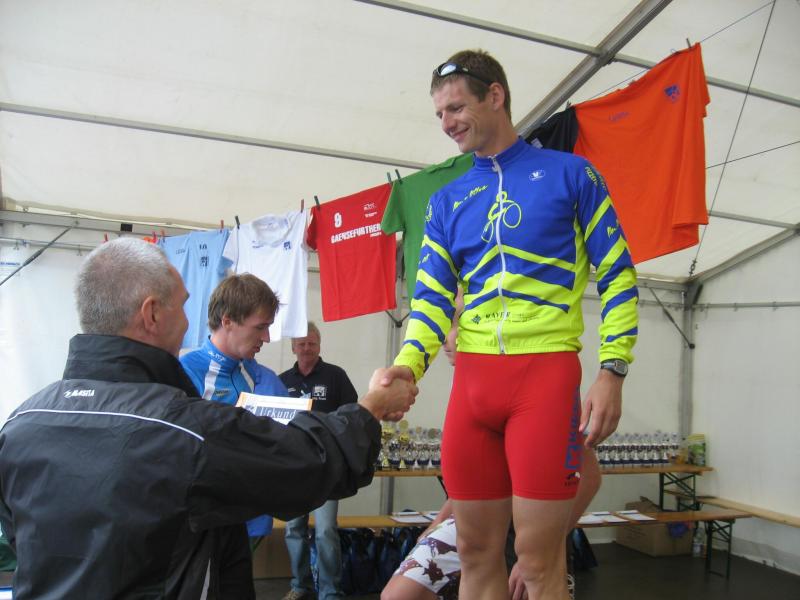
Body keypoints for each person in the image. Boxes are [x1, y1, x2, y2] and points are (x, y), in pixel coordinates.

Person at [0, 237, 417, 600]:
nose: (190, 322)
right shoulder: (179, 429)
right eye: (184, 306)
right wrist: (371, 407)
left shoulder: (20, 424)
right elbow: (308, 459)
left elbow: (21, 539)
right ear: (151, 314)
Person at [381, 49, 638, 600]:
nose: (447, 123)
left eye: (456, 108)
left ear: (495, 95)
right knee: (475, 553)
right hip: (472, 387)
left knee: (538, 563)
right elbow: (429, 301)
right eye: (440, 114)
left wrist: (612, 370)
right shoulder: (446, 201)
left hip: (543, 380)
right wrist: (407, 366)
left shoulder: (572, 175)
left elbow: (618, 274)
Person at [180, 273, 290, 541]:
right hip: (206, 525)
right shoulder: (186, 372)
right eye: (260, 327)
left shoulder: (262, 376)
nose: (266, 337)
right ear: (227, 320)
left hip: (254, 519)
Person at [279, 322, 358, 600]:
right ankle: (301, 586)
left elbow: (352, 413)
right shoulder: (282, 381)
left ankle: (330, 592)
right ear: (293, 348)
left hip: (328, 466)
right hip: (292, 467)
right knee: (293, 528)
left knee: (325, 530)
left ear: (319, 345)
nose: (306, 348)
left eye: (311, 343)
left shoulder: (336, 376)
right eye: (301, 344)